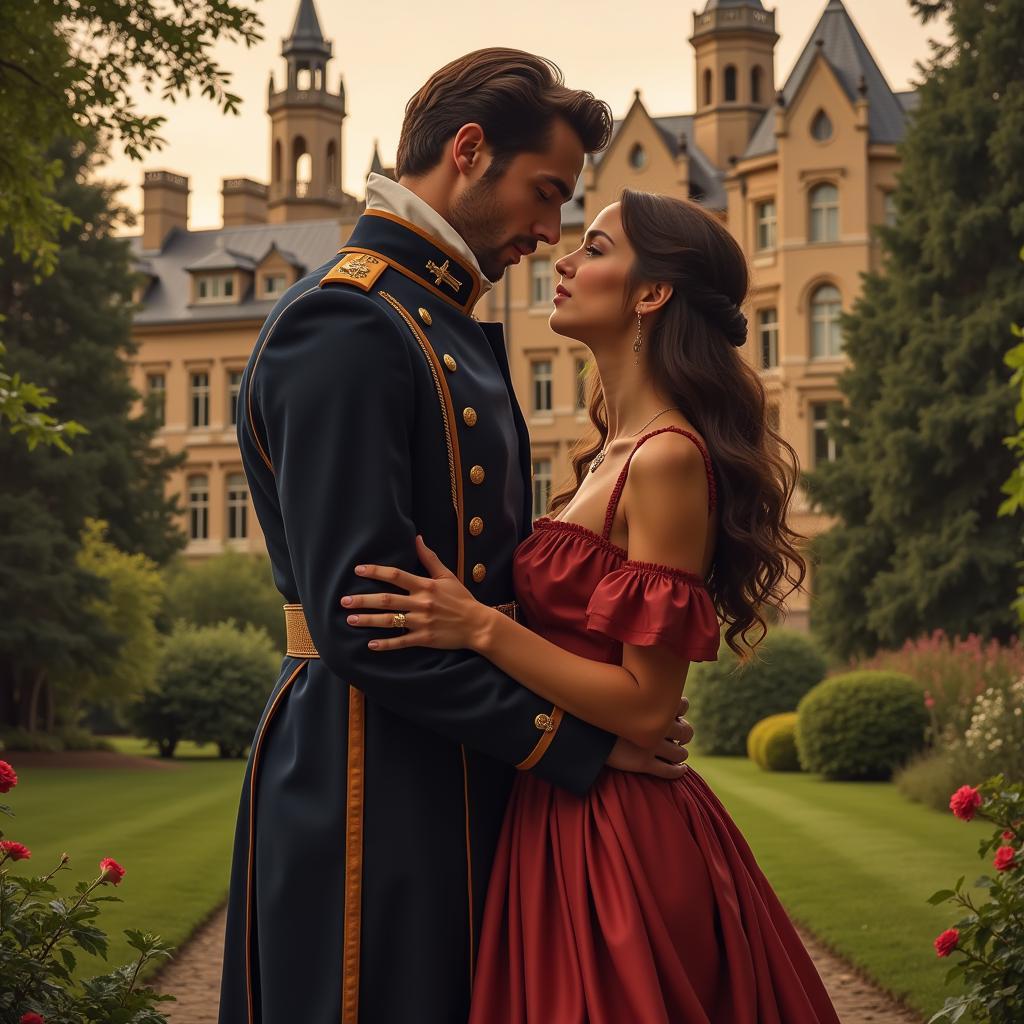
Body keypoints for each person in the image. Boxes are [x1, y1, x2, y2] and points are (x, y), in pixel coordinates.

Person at [217, 50, 697, 1024]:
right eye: (547, 192)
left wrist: (606, 709)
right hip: (365, 775)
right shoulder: (346, 323)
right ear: (471, 152)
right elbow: (361, 621)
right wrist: (575, 741)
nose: (551, 231)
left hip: (459, 771)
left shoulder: (440, 319)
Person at [343, 190, 843, 1022]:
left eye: (596, 247)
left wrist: (479, 626)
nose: (564, 261)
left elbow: (648, 708)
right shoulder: (604, 452)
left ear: (651, 295)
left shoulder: (666, 460)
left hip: (616, 832)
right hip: (559, 802)